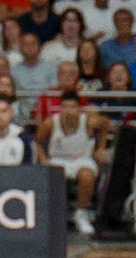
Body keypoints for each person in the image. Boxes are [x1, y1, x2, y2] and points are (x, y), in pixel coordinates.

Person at [38, 89, 104, 231]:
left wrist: (100, 147)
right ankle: (54, 216)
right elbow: (36, 141)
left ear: (79, 108)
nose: (68, 111)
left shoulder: (88, 121)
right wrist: (43, 158)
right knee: (51, 175)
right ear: (60, 108)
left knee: (86, 176)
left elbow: (105, 124)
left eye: (72, 107)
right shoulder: (50, 123)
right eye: (65, 107)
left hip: (82, 158)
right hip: (58, 159)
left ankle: (81, 214)